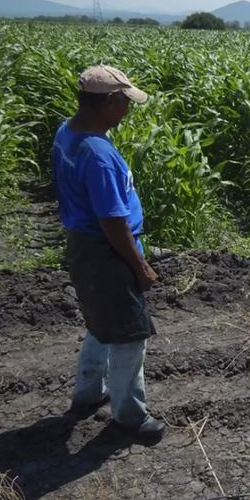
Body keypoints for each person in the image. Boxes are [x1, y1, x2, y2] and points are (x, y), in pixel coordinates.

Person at [52, 64, 165, 443]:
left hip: (83, 246)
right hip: (107, 250)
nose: (128, 110)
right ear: (110, 102)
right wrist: (139, 264)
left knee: (100, 320)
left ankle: (88, 393)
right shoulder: (98, 154)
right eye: (125, 103)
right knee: (131, 334)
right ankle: (130, 418)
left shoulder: (67, 133)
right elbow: (113, 221)